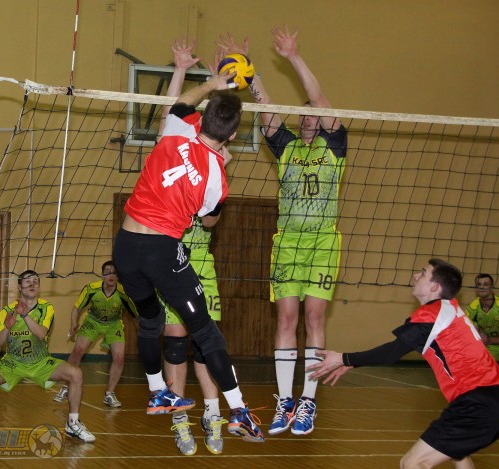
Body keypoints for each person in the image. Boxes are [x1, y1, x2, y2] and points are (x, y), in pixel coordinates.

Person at [112, 41, 264, 443]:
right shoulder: (216, 177)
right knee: (205, 332)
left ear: (201, 117)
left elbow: (179, 103)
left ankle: (156, 392)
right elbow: (209, 220)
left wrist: (211, 82)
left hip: (125, 245)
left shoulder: (176, 131)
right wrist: (220, 170)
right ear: (233, 135)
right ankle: (239, 411)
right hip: (162, 251)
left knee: (150, 321)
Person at [216, 26, 347, 436]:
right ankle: (285, 401)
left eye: (314, 113)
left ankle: (308, 401)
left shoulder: (335, 145)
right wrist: (248, 71)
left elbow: (320, 98)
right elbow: (265, 106)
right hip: (287, 241)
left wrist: (292, 56)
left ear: (322, 121)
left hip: (323, 241)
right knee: (286, 319)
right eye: (303, 112)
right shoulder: (286, 146)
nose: (309, 116)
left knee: (315, 316)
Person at [307, 259, 499, 469]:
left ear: (434, 287)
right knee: (458, 455)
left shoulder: (432, 313)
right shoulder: (449, 311)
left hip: (479, 402)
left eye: (423, 273)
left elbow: (392, 353)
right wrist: (353, 363)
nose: (416, 276)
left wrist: (343, 358)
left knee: (413, 463)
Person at [157, 38, 227, 457]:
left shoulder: (215, 159)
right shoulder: (173, 149)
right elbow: (171, 113)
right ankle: (180, 417)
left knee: (207, 343)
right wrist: (181, 70)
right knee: (175, 343)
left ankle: (212, 413)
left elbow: (211, 220)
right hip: (170, 258)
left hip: (201, 258)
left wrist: (222, 82)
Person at [0, 270, 95, 442]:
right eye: (28, 281)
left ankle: (73, 424)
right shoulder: (7, 310)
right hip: (12, 362)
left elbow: (41, 334)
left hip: (41, 361)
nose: (32, 284)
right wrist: (7, 327)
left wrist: (24, 315)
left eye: (36, 281)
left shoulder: (46, 307)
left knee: (76, 374)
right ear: (19, 287)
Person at [53, 260, 137, 407]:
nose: (111, 275)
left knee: (119, 358)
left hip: (114, 324)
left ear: (118, 276)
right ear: (102, 275)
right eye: (107, 272)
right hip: (93, 322)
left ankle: (109, 394)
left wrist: (143, 333)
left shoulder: (124, 293)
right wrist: (73, 324)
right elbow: (76, 308)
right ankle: (66, 386)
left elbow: (135, 315)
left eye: (114, 272)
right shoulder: (91, 289)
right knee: (78, 350)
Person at [465, 273, 499, 372]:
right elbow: (475, 335)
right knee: (484, 371)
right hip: (490, 345)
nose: (482, 287)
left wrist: (489, 340)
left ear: (492, 287)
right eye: (479, 284)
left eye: (485, 284)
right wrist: (482, 339)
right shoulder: (472, 308)